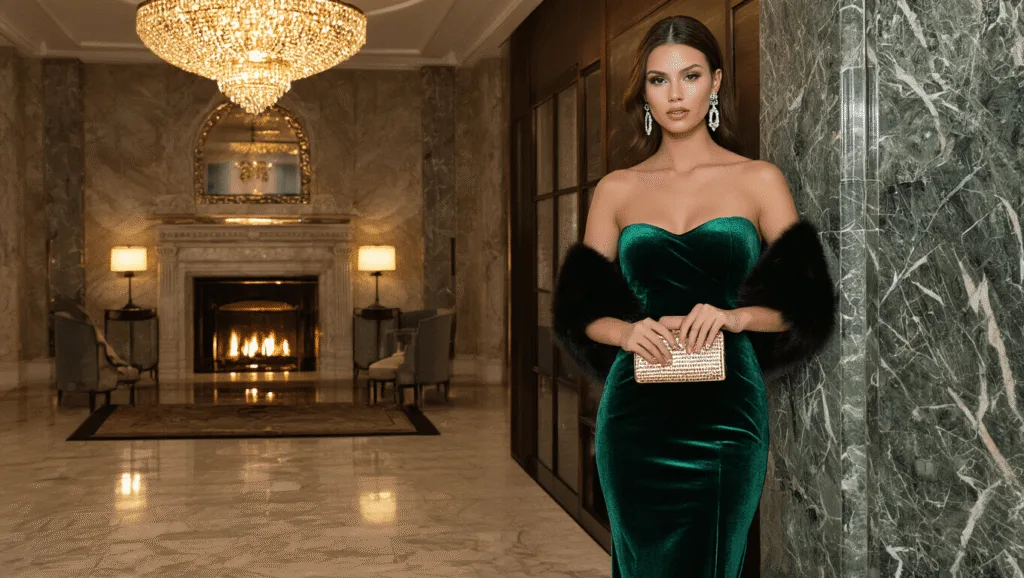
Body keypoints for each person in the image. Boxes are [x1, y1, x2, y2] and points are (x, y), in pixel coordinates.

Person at [551, 15, 837, 578]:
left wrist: (735, 316)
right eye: (659, 80)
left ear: (717, 83)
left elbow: (806, 306)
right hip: (636, 414)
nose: (675, 94)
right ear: (645, 93)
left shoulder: (759, 180)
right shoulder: (617, 188)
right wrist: (628, 331)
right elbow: (578, 311)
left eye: (690, 76)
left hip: (727, 415)